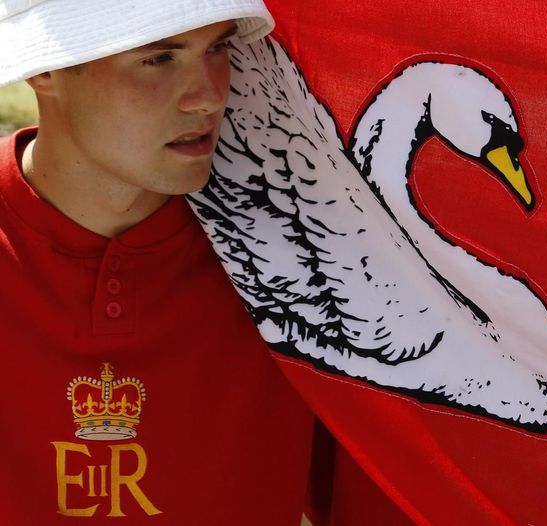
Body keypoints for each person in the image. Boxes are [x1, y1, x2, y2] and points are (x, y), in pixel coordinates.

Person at [0, 1, 314, 524]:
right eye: (159, 58)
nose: (209, 97)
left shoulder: (303, 263)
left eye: (218, 48)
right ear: (45, 68)